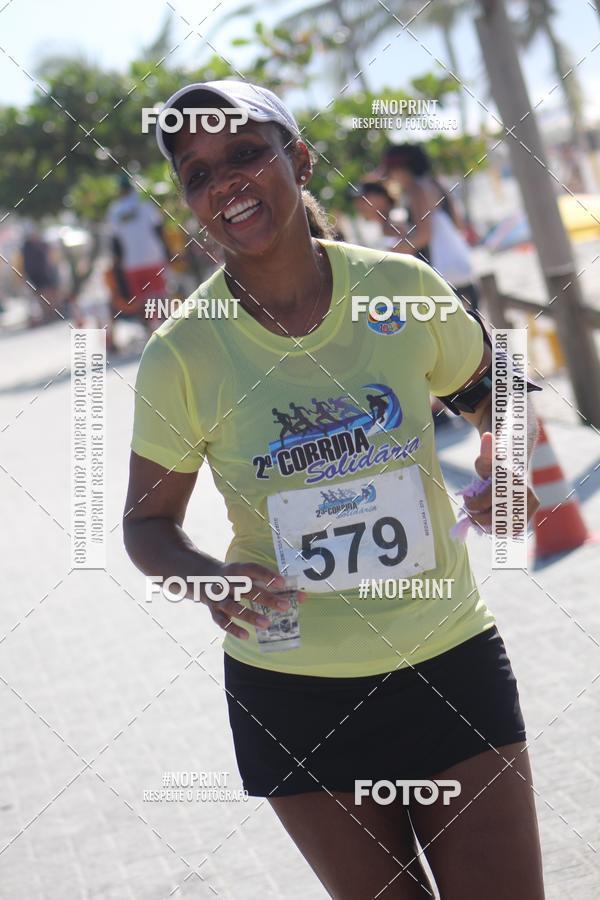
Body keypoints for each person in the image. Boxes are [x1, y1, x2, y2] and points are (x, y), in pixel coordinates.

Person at [123, 80, 546, 899]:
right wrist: (208, 579)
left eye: (247, 152)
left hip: (448, 661)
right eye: (199, 172)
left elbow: (500, 396)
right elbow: (147, 528)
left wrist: (513, 463)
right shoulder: (183, 354)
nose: (226, 183)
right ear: (188, 202)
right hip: (293, 696)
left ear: (301, 159)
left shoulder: (401, 287)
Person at [378, 143, 481, 312]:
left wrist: (390, 252)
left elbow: (423, 236)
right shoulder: (436, 183)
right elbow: (458, 225)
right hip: (462, 274)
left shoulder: (416, 189)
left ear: (402, 168)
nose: (391, 177)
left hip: (442, 278)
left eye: (391, 171)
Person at [105, 174, 171, 334]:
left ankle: (150, 332)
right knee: (159, 295)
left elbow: (115, 242)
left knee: (141, 299)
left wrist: (117, 265)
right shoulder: (146, 204)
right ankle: (169, 329)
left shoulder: (114, 211)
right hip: (153, 257)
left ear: (119, 191)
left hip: (131, 263)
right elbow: (159, 229)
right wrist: (168, 252)